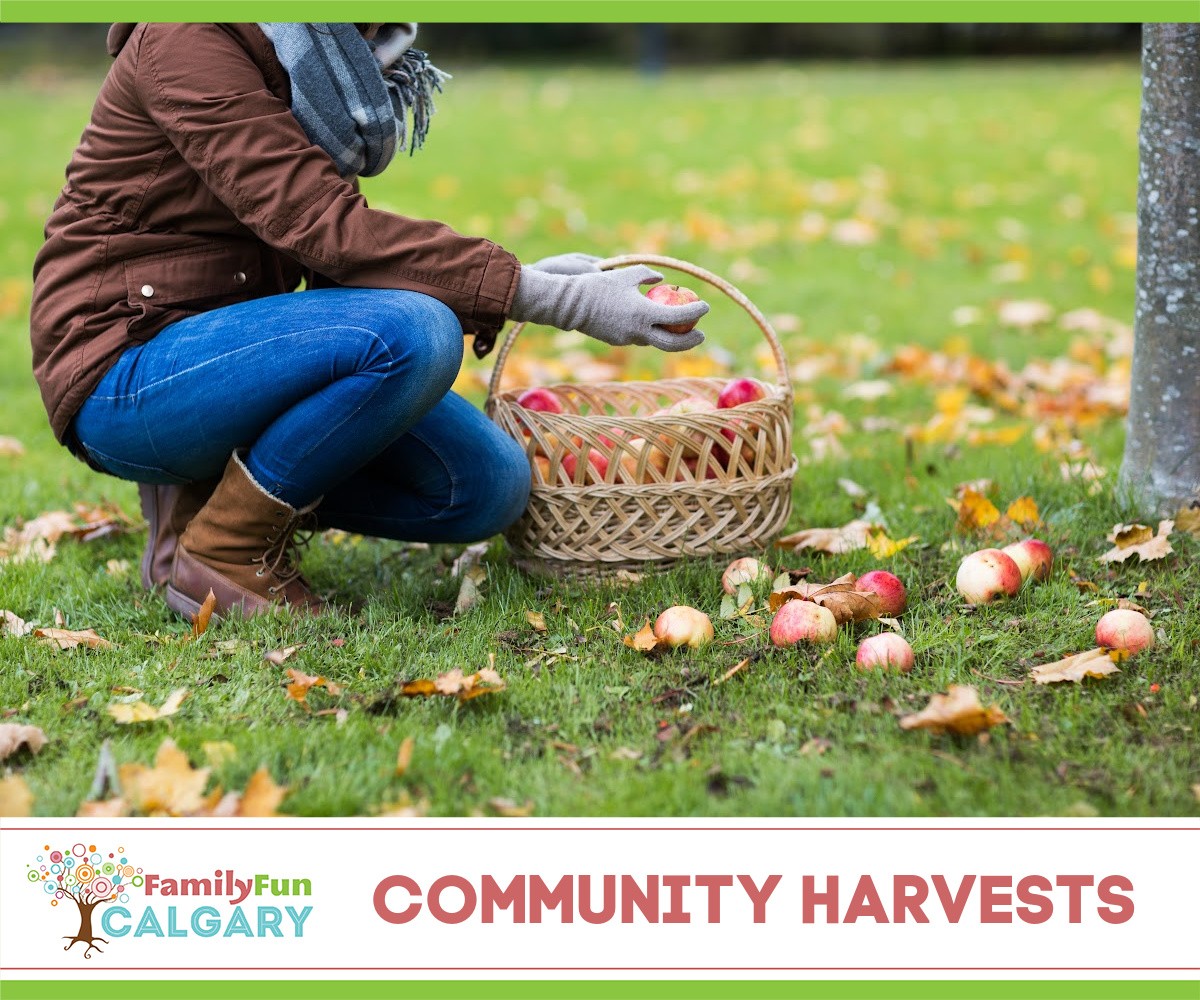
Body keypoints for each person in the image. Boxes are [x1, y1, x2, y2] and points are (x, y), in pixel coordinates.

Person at [30, 22, 708, 620]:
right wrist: (552, 299)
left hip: (239, 350)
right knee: (415, 333)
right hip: (126, 366)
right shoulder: (189, 36)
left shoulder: (323, 57)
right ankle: (223, 546)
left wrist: (531, 277)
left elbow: (338, 263)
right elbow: (323, 226)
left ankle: (206, 498)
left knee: (485, 485)